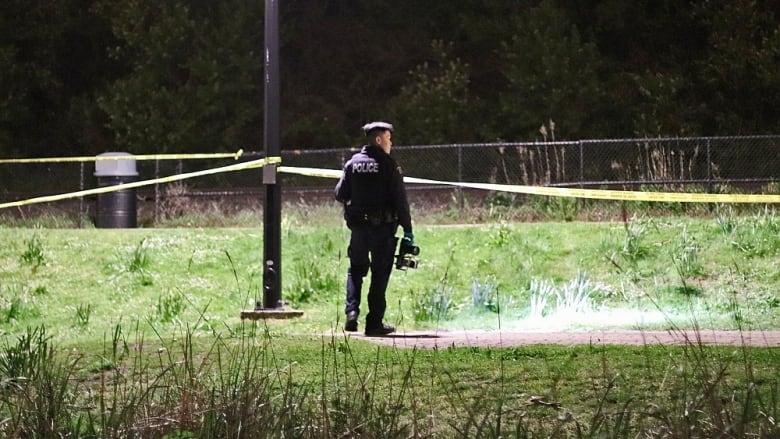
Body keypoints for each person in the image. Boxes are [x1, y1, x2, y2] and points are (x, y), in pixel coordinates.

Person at [335, 121, 414, 336]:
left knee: (356, 271)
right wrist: (408, 231)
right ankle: (374, 323)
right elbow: (400, 200)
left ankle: (352, 313)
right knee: (379, 275)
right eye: (388, 139)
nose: (391, 143)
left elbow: (340, 194)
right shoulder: (389, 165)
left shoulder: (352, 164)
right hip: (382, 230)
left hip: (359, 230)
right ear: (379, 140)